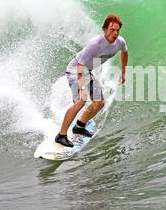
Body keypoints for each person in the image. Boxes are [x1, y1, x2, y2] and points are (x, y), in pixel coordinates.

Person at [55, 14, 129, 147]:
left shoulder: (120, 42)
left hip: (87, 71)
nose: (115, 33)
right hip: (75, 69)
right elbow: (80, 66)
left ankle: (80, 125)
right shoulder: (95, 44)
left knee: (99, 102)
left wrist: (123, 72)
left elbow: (125, 52)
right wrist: (82, 88)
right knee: (81, 101)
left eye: (117, 30)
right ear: (105, 29)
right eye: (112, 29)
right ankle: (61, 135)